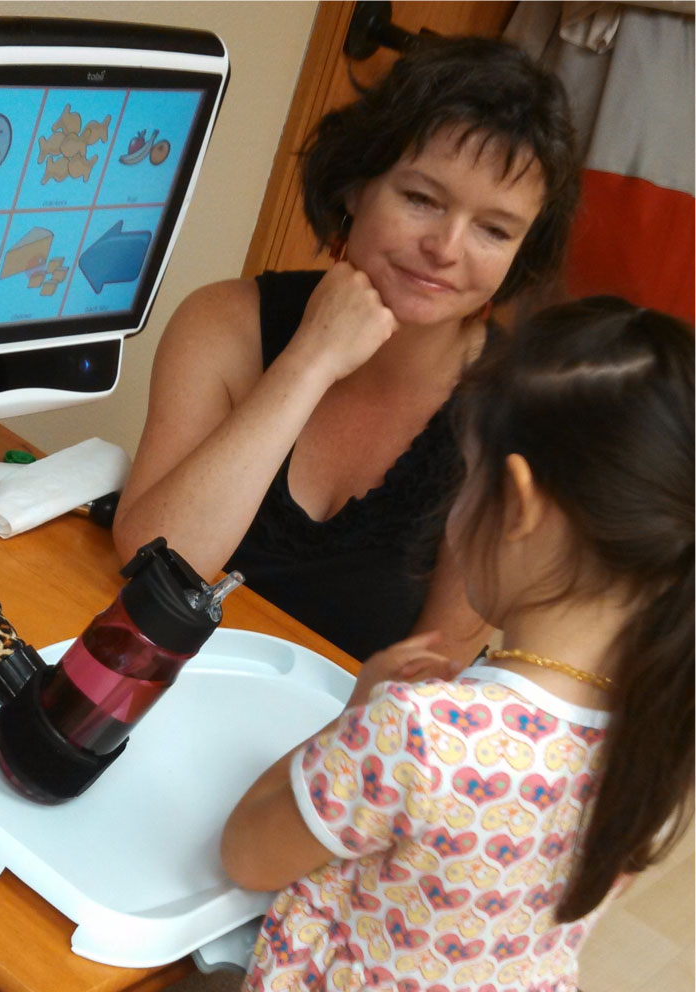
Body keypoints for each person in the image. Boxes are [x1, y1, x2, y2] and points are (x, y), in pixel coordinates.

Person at [220, 296, 694, 992]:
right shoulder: (660, 732)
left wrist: (352, 721)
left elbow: (247, 852)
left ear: (519, 503)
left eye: (468, 478)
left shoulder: (416, 733)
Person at [112, 36, 580, 664]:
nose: (446, 247)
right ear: (357, 186)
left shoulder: (515, 417)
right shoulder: (223, 323)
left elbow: (425, 679)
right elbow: (153, 561)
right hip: (152, 678)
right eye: (421, 199)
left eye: (494, 230)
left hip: (339, 743)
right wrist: (311, 362)